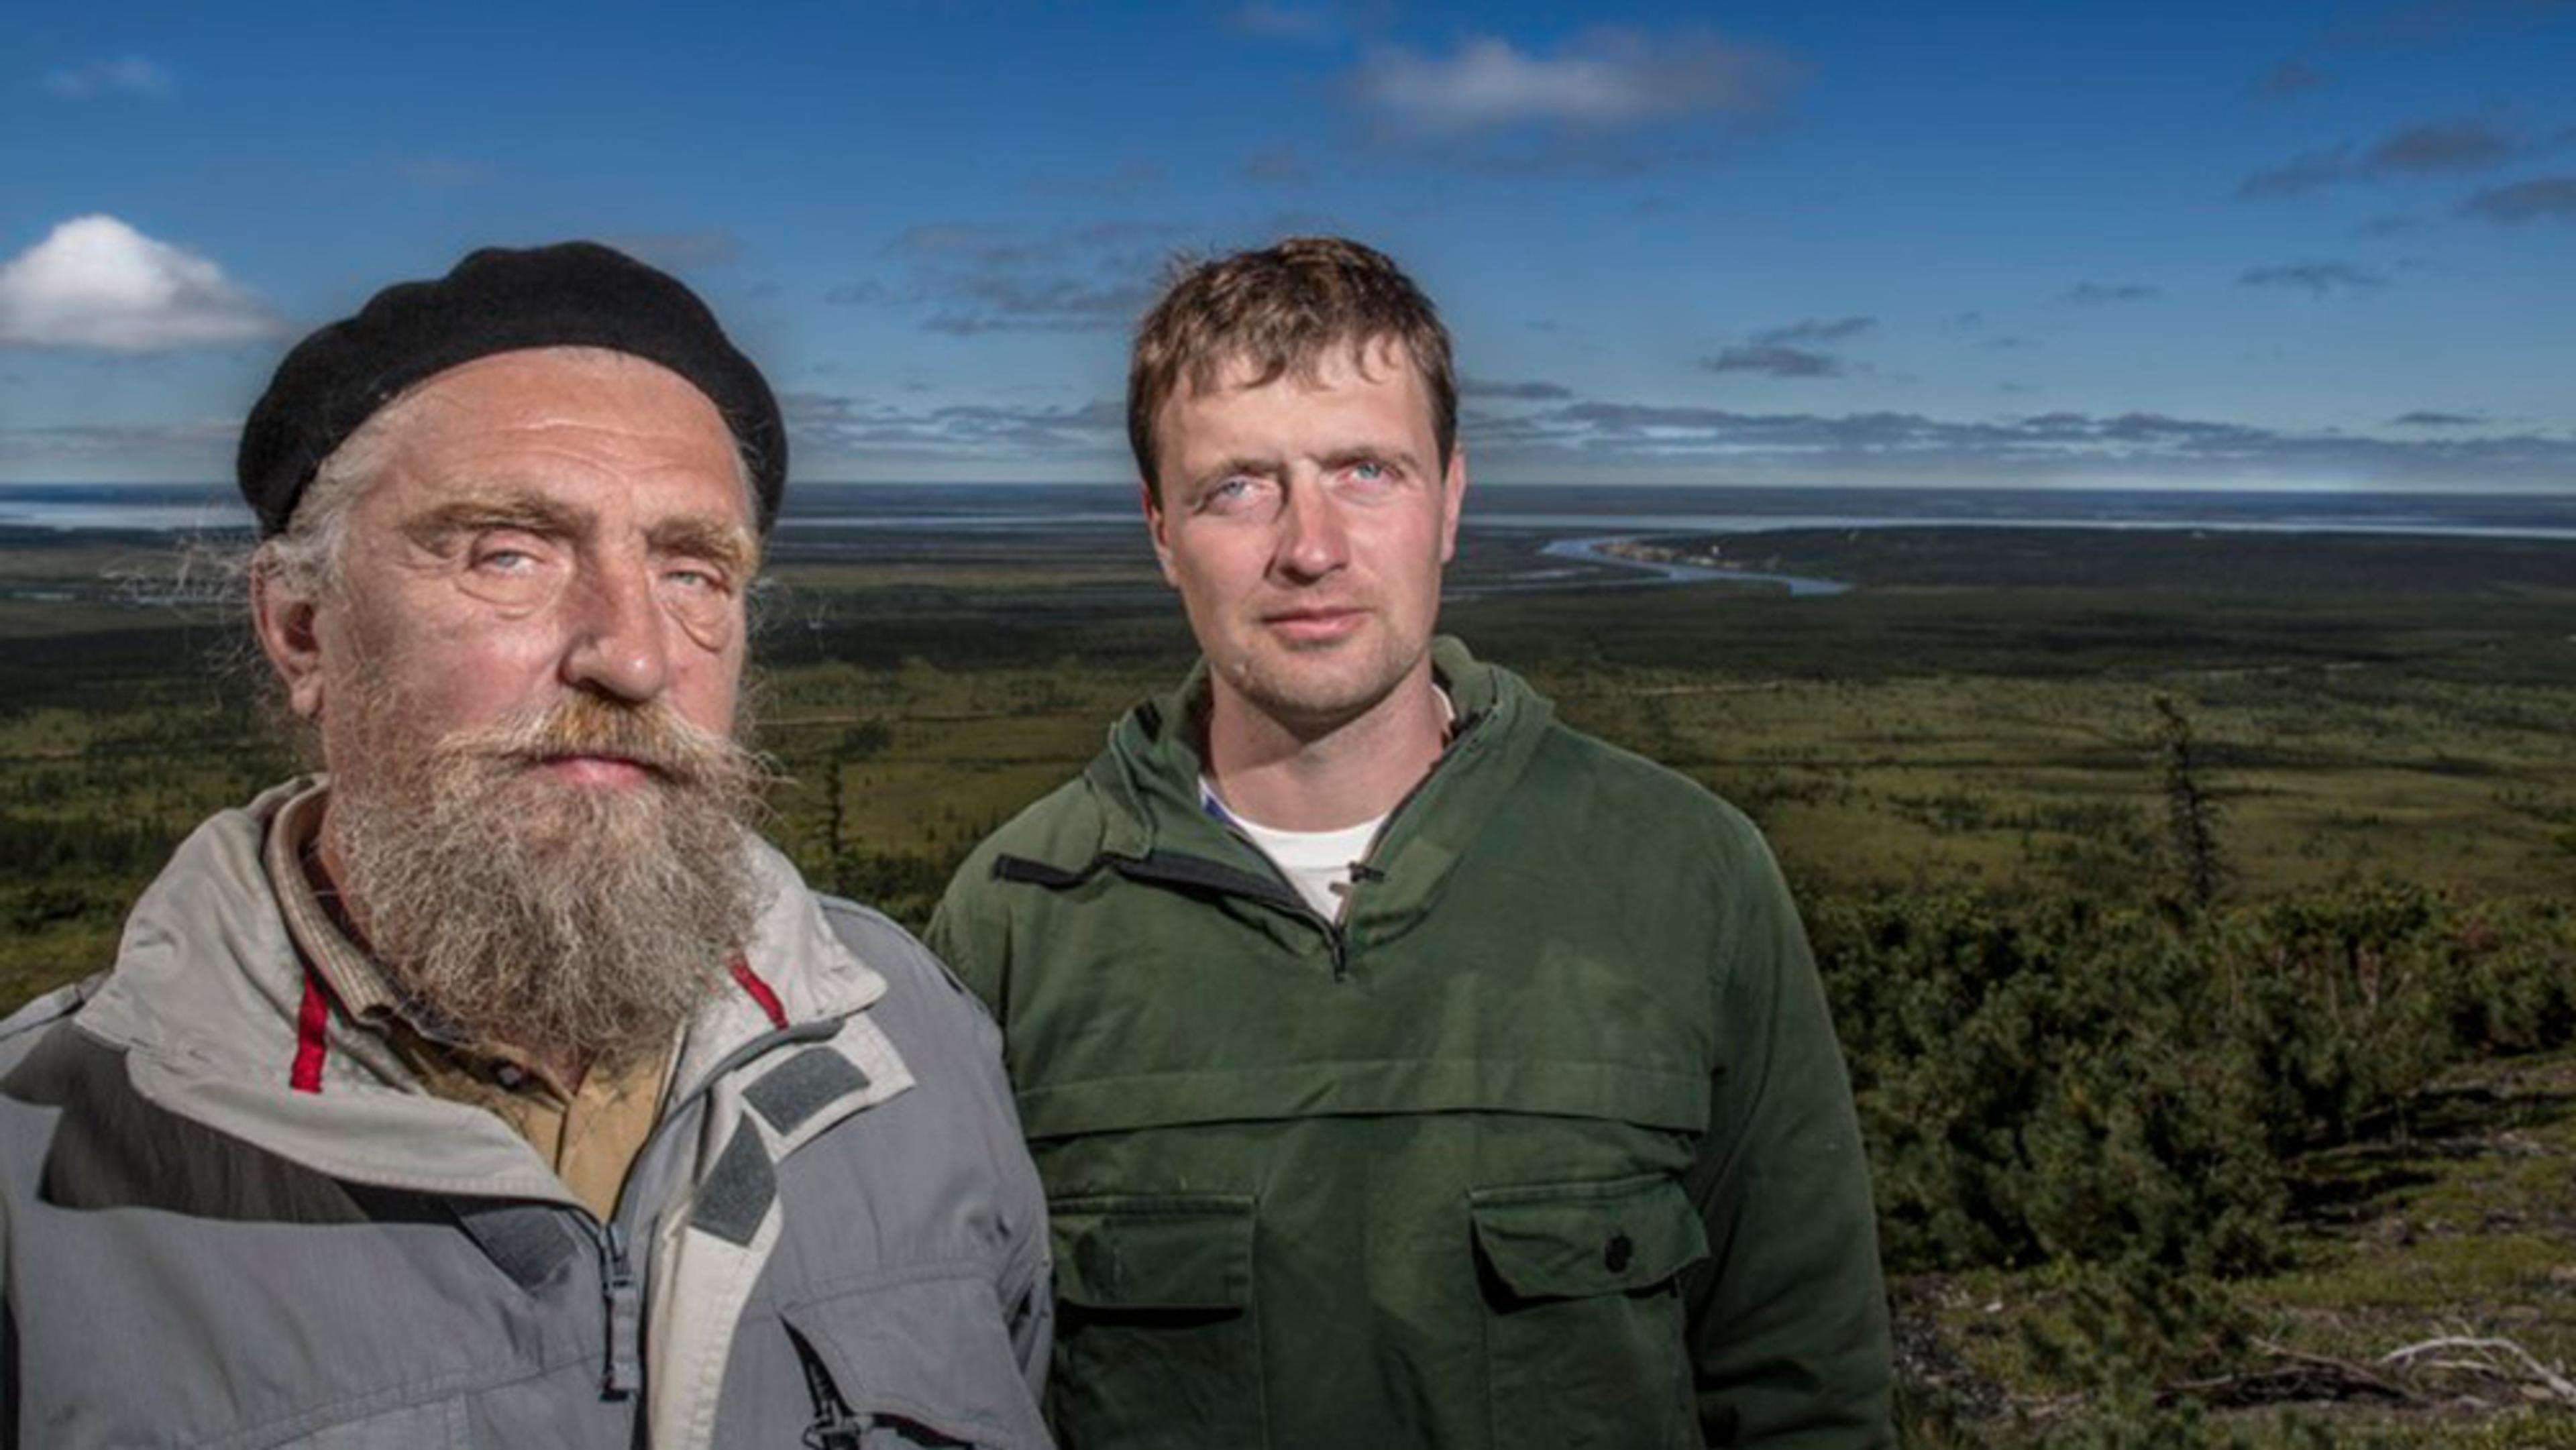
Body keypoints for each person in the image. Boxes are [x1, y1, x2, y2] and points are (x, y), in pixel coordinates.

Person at [0, 242, 1053, 1449]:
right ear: (301, 630)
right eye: (510, 551)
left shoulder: (912, 1041)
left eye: (693, 569)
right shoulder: (40, 1171)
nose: (634, 654)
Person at [929, 236, 1892, 1448]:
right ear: (1160, 530)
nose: (1310, 545)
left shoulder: (1687, 878)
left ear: (1452, 498)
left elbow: (1807, 1387)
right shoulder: (1017, 918)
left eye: (1366, 470)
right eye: (1238, 484)